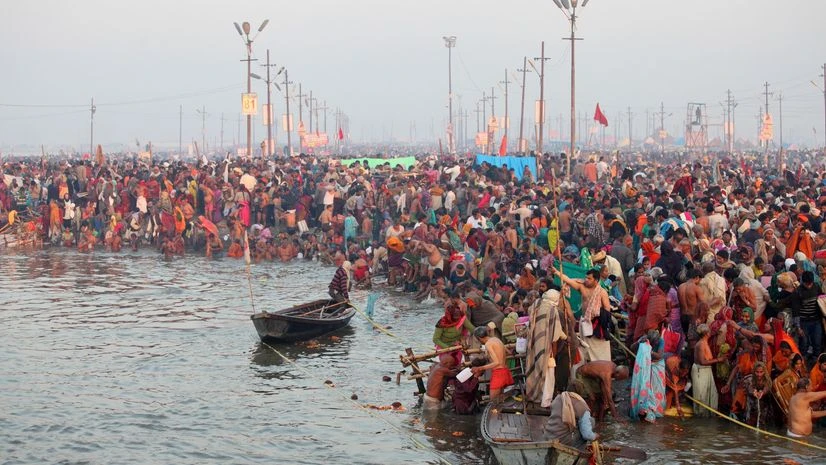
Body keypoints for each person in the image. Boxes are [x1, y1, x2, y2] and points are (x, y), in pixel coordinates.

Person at [550, 265, 612, 361]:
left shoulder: (602, 292)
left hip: (597, 324)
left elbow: (607, 309)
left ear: (596, 280)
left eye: (589, 278)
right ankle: (588, 367)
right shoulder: (581, 286)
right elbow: (568, 280)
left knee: (599, 349)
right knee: (585, 348)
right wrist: (556, 272)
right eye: (586, 277)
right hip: (585, 322)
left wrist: (598, 322)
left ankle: (602, 366)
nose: (586, 280)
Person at [629, 329, 666, 423]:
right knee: (644, 386)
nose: (655, 343)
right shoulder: (644, 339)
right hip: (645, 366)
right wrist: (639, 343)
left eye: (655, 342)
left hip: (657, 366)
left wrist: (649, 350)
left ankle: (657, 410)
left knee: (657, 389)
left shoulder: (661, 341)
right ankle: (645, 409)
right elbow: (632, 348)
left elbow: (659, 356)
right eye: (653, 342)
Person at [471, 326, 513, 403]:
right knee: (500, 400)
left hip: (498, 373)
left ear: (479, 338)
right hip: (505, 370)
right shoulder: (496, 339)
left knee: (493, 401)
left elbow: (497, 362)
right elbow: (508, 352)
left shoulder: (488, 344)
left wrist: (480, 368)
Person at [691, 324, 722, 418]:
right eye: (709, 332)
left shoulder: (704, 341)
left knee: (710, 394)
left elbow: (710, 334)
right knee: (702, 396)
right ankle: (701, 417)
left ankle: (708, 415)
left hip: (706, 371)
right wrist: (718, 360)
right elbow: (703, 361)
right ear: (706, 333)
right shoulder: (701, 344)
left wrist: (715, 333)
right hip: (701, 371)